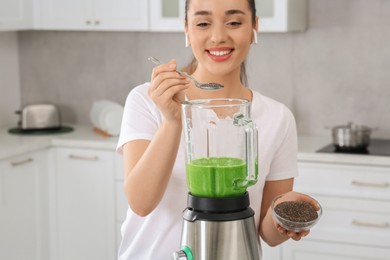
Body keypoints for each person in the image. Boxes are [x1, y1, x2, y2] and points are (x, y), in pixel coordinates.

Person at [116, 0, 319, 259]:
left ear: (254, 26)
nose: (218, 36)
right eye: (202, 23)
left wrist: (284, 215)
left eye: (234, 22)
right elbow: (141, 203)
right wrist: (172, 121)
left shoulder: (278, 117)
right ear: (187, 29)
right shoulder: (148, 100)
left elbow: (268, 235)